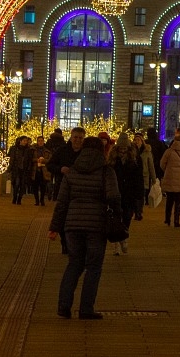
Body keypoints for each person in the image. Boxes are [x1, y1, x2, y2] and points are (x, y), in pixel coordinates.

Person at [49, 136, 120, 320]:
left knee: (74, 264)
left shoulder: (72, 173)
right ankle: (86, 308)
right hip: (96, 225)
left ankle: (63, 307)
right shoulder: (106, 172)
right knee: (94, 267)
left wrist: (55, 227)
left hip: (72, 225)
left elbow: (62, 202)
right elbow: (114, 198)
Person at [48, 127, 87, 253]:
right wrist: (60, 169)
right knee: (63, 216)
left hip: (81, 190)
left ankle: (75, 243)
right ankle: (65, 242)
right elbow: (50, 165)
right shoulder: (62, 151)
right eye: (75, 137)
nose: (77, 140)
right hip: (63, 189)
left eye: (80, 138)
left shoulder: (87, 152)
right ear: (71, 137)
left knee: (78, 218)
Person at [107, 133, 144, 255]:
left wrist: (139, 193)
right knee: (116, 218)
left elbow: (139, 177)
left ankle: (124, 237)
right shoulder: (112, 158)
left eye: (124, 148)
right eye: (121, 148)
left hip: (129, 192)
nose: (123, 150)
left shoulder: (134, 158)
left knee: (127, 216)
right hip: (116, 192)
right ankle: (116, 244)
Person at [159, 129, 180, 227]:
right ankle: (176, 220)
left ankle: (167, 219)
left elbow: (162, 163)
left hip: (170, 177)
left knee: (169, 200)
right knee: (179, 200)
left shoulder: (169, 151)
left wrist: (167, 170)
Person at [133, 134, 155, 220]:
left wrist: (154, 179)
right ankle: (136, 211)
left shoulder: (147, 152)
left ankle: (139, 212)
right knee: (134, 195)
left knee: (141, 195)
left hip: (144, 176)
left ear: (142, 141)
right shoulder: (131, 151)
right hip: (134, 176)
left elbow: (151, 166)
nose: (137, 142)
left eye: (138, 140)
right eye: (135, 140)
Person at [7, 136, 34, 204]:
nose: (25, 142)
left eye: (26, 141)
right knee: (16, 183)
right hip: (16, 169)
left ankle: (19, 199)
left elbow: (29, 160)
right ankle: (15, 197)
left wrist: (29, 169)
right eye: (24, 140)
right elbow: (10, 158)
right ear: (20, 141)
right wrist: (9, 168)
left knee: (22, 185)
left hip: (24, 169)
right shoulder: (14, 148)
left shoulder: (28, 150)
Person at [31, 136, 52, 206]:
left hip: (44, 171)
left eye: (41, 141)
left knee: (43, 186)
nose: (40, 142)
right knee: (35, 186)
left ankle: (42, 200)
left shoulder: (47, 151)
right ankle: (37, 200)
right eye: (39, 141)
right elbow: (31, 159)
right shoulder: (33, 150)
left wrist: (44, 161)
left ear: (43, 142)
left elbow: (50, 159)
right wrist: (36, 160)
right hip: (36, 170)